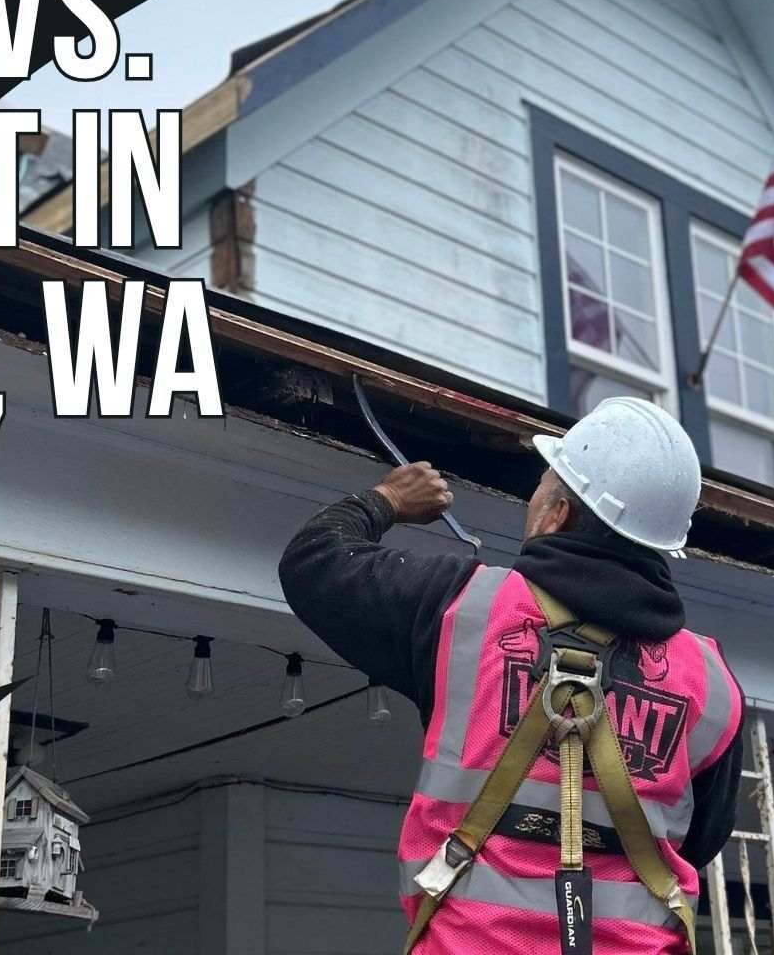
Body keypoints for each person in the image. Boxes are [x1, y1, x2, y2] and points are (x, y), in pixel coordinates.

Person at [280, 397, 744, 954]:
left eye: (544, 485)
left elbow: (315, 562)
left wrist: (389, 499)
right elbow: (699, 839)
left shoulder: (464, 609)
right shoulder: (711, 682)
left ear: (558, 514)